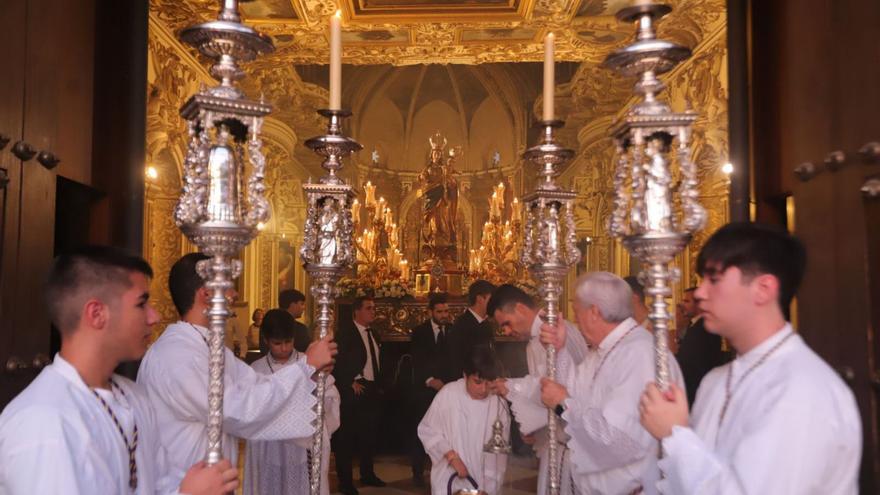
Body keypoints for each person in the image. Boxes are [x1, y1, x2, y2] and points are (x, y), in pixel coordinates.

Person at [639, 222, 862, 494]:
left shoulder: (801, 389)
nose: (699, 293)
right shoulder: (717, 380)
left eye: (714, 279)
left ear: (763, 289)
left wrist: (675, 435)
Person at [0, 246, 238, 494]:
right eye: (141, 304)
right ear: (97, 314)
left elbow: (159, 484)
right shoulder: (44, 422)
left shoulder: (134, 398)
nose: (154, 317)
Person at [137, 252, 337, 488]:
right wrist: (306, 367)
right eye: (229, 287)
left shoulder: (206, 346)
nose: (235, 295)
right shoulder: (177, 354)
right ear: (207, 294)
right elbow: (237, 407)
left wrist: (310, 373)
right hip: (183, 485)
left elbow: (255, 386)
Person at [538, 271, 684, 494]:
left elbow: (618, 440)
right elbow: (576, 392)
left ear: (594, 312)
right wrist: (559, 351)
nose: (575, 320)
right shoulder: (604, 351)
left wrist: (563, 403)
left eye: (577, 312)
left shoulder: (638, 354)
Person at [487, 284, 588, 495]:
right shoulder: (536, 339)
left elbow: (558, 387)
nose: (505, 331)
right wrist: (537, 426)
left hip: (572, 445)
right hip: (559, 442)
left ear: (521, 309)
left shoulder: (550, 334)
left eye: (506, 323)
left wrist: (511, 387)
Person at [243, 309, 340, 495]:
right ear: (266, 340)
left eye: (288, 342)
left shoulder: (308, 361)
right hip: (268, 448)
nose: (284, 348)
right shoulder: (257, 369)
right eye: (277, 343)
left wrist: (321, 391)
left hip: (301, 450)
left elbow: (330, 397)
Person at [418, 347, 509, 495]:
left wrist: (489, 487)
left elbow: (499, 453)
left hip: (483, 481)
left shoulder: (498, 403)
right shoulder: (448, 394)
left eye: (488, 383)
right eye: (477, 382)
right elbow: (427, 430)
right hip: (449, 475)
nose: (483, 390)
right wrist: (451, 456)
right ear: (465, 375)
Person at [332, 295, 386, 495]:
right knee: (346, 438)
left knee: (369, 435)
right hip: (354, 389)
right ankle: (345, 482)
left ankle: (367, 473)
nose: (373, 311)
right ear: (357, 311)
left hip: (371, 389)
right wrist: (349, 382)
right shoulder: (346, 333)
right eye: (369, 308)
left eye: (374, 308)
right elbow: (337, 360)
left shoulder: (374, 334)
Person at [409, 292, 456, 486]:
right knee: (421, 429)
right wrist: (430, 380)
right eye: (440, 312)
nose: (444, 315)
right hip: (426, 389)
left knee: (448, 431)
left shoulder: (454, 331)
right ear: (431, 312)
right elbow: (417, 361)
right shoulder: (420, 332)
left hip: (449, 389)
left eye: (446, 311)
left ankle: (448, 470)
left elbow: (456, 359)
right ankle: (418, 472)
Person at [674, 286, 728, 406]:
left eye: (687, 301)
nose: (683, 305)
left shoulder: (705, 327)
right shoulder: (694, 325)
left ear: (699, 305)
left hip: (698, 390)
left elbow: (698, 362)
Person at [447, 280, 497, 379]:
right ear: (479, 299)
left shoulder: (486, 324)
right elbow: (456, 361)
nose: (494, 304)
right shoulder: (461, 326)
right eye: (491, 299)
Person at [280, 288, 311, 353]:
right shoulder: (300, 329)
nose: (304, 308)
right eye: (302, 304)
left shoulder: (268, 324)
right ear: (292, 305)